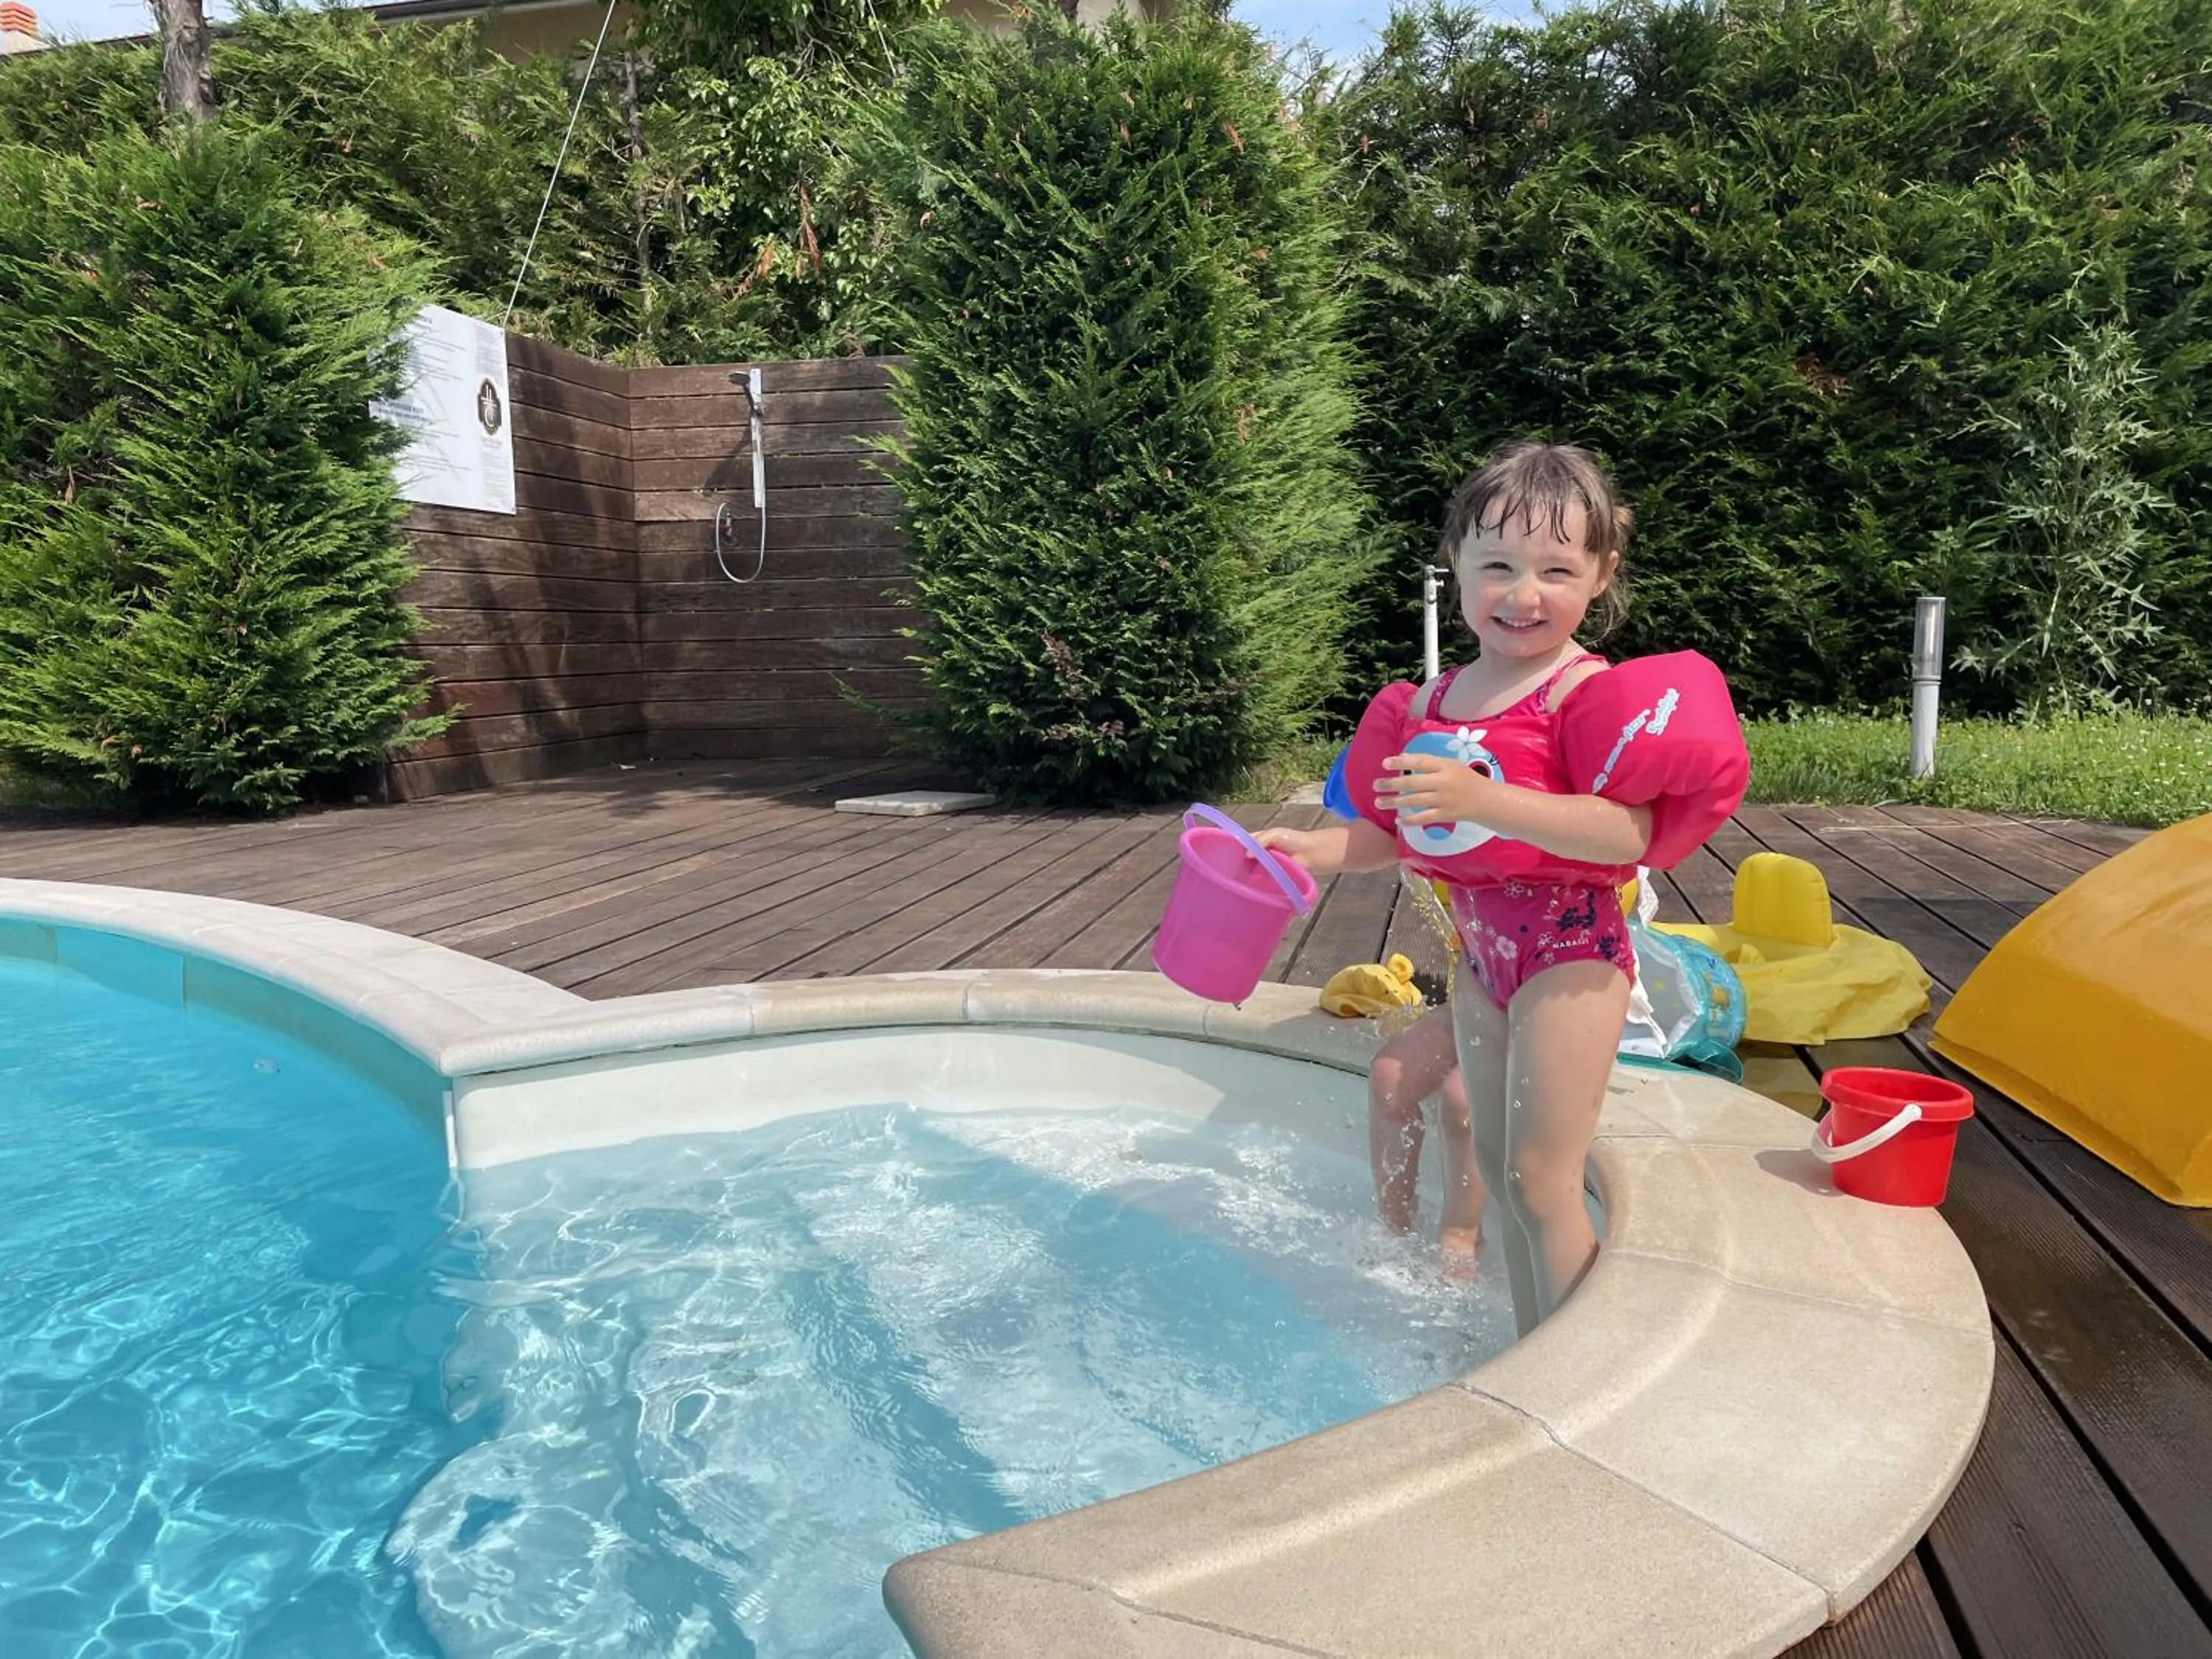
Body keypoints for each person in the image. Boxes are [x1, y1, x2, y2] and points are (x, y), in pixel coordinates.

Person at [1262, 442, 1748, 1333]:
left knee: (1541, 1176)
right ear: (1455, 565)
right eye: (1499, 566)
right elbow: (1397, 836)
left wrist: (1491, 799)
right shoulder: (1428, 705)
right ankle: (1533, 1337)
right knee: (1490, 1151)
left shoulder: (1582, 694)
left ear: (1601, 574)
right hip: (1482, 958)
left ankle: (1580, 1360)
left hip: (1571, 949)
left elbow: (1629, 836)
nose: (1525, 594)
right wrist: (1316, 852)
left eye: (1557, 569)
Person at [1368, 1004, 1486, 1280]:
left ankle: (1462, 1242)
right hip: (1484, 989)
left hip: (1546, 1002)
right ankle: (1394, 1230)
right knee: (1388, 1080)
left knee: (1461, 1103)